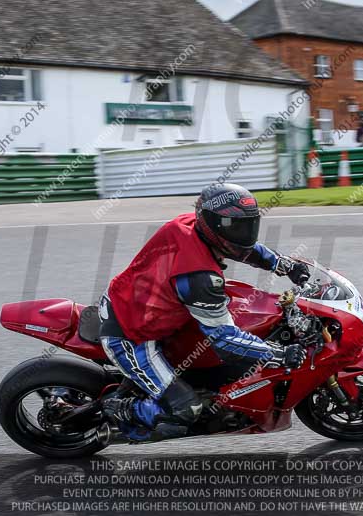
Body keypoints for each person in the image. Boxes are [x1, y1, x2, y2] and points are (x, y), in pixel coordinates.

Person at [100, 183, 310, 441]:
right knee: (186, 410)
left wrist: (285, 265)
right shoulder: (199, 278)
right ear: (213, 223)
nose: (245, 233)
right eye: (236, 226)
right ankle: (122, 410)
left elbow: (243, 247)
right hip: (131, 333)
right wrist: (279, 353)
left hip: (143, 305)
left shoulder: (193, 225)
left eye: (248, 225)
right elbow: (224, 340)